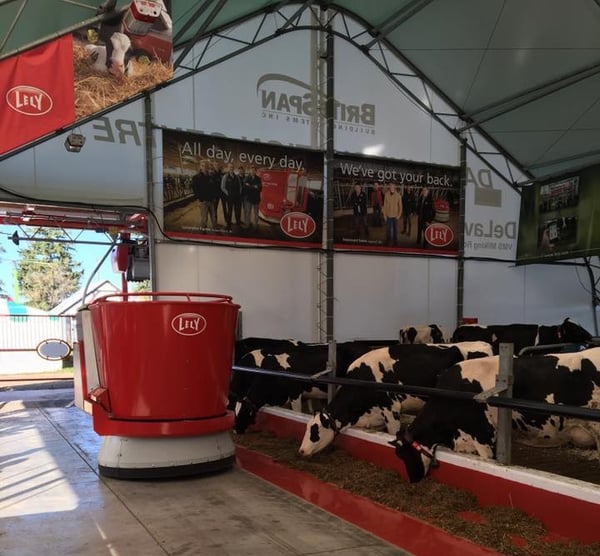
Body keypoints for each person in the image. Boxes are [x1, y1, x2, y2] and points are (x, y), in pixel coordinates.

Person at [191, 161, 217, 229]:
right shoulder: (196, 177)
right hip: (203, 201)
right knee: (204, 218)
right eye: (203, 166)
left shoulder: (210, 176)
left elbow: (213, 188)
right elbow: (195, 190)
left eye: (205, 166)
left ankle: (215, 228)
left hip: (211, 200)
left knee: (213, 217)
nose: (204, 167)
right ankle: (203, 230)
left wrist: (214, 197)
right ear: (200, 167)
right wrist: (198, 200)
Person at [221, 163, 241, 231]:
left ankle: (238, 224)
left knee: (237, 211)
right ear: (228, 168)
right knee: (229, 211)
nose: (231, 168)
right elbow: (222, 187)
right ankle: (228, 225)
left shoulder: (237, 177)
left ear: (233, 168)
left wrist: (239, 194)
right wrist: (228, 194)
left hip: (237, 197)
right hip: (229, 198)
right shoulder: (225, 177)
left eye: (232, 167)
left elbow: (240, 186)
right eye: (230, 167)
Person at [242, 165, 262, 230]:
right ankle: (247, 225)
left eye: (254, 170)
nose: (253, 171)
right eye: (251, 170)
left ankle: (255, 226)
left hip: (256, 199)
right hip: (248, 199)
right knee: (248, 213)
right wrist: (254, 187)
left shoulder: (258, 178)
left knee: (256, 214)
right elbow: (245, 187)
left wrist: (250, 186)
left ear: (256, 171)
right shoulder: (246, 178)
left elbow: (260, 188)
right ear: (250, 171)